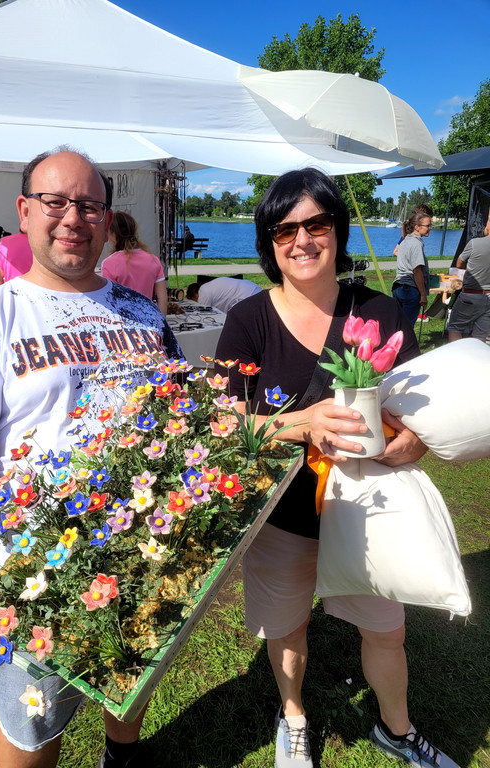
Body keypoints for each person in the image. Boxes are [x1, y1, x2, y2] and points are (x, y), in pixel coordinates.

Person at [0, 148, 181, 768]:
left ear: (107, 218)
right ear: (24, 211)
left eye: (88, 205)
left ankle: (122, 755)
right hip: (34, 573)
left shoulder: (143, 314)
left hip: (140, 548)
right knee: (32, 720)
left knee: (134, 664)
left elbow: (177, 416)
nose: (72, 218)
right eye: (55, 202)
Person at [215, 168, 460, 768]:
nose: (302, 240)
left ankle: (397, 729)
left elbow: (417, 409)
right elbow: (224, 427)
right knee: (287, 628)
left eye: (316, 224)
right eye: (284, 230)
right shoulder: (249, 320)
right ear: (269, 242)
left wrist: (416, 443)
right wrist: (304, 423)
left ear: (338, 229)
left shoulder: (379, 310)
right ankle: (294, 716)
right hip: (283, 515)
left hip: (371, 512)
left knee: (386, 630)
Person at [101, 211, 167, 315]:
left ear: (113, 234)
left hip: (123, 321)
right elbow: (162, 298)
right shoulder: (153, 260)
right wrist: (161, 322)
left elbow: (108, 301)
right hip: (147, 319)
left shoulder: (109, 264)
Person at [448, 214, 490, 342]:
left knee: (455, 327)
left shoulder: (474, 243)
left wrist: (466, 272)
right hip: (488, 296)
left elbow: (459, 262)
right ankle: (477, 354)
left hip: (470, 294)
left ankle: (457, 353)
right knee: (481, 334)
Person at [392, 209, 432, 326]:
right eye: (427, 226)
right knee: (407, 328)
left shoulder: (405, 241)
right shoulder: (416, 243)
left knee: (398, 325)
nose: (430, 228)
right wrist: (423, 295)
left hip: (398, 287)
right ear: (417, 227)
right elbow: (417, 271)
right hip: (410, 289)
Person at [186, 276, 262, 313]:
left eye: (194, 299)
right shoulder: (210, 286)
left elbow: (204, 312)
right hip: (253, 289)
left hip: (247, 296)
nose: (197, 301)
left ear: (194, 292)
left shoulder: (203, 291)